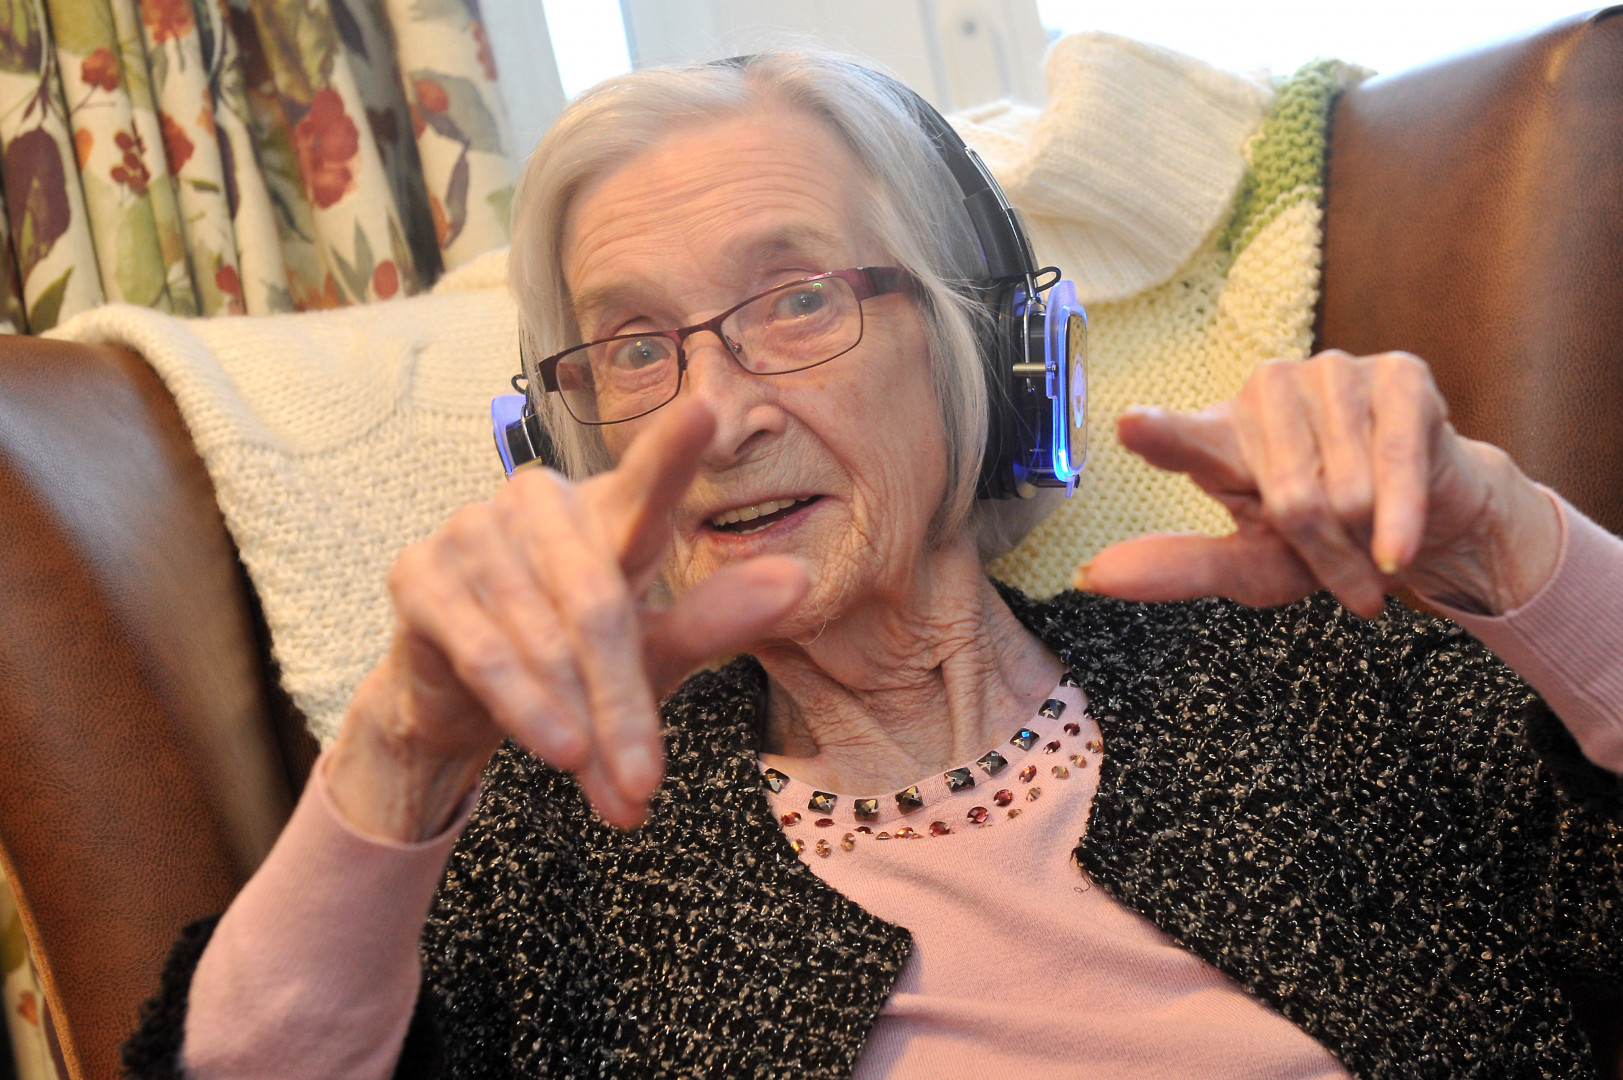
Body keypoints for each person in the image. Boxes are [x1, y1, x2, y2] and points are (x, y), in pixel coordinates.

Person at [123, 50, 1623, 1080]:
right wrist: (400, 743)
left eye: (795, 300)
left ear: (990, 352)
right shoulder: (547, 845)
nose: (716, 414)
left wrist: (1511, 543)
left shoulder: (1316, 666)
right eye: (635, 345)